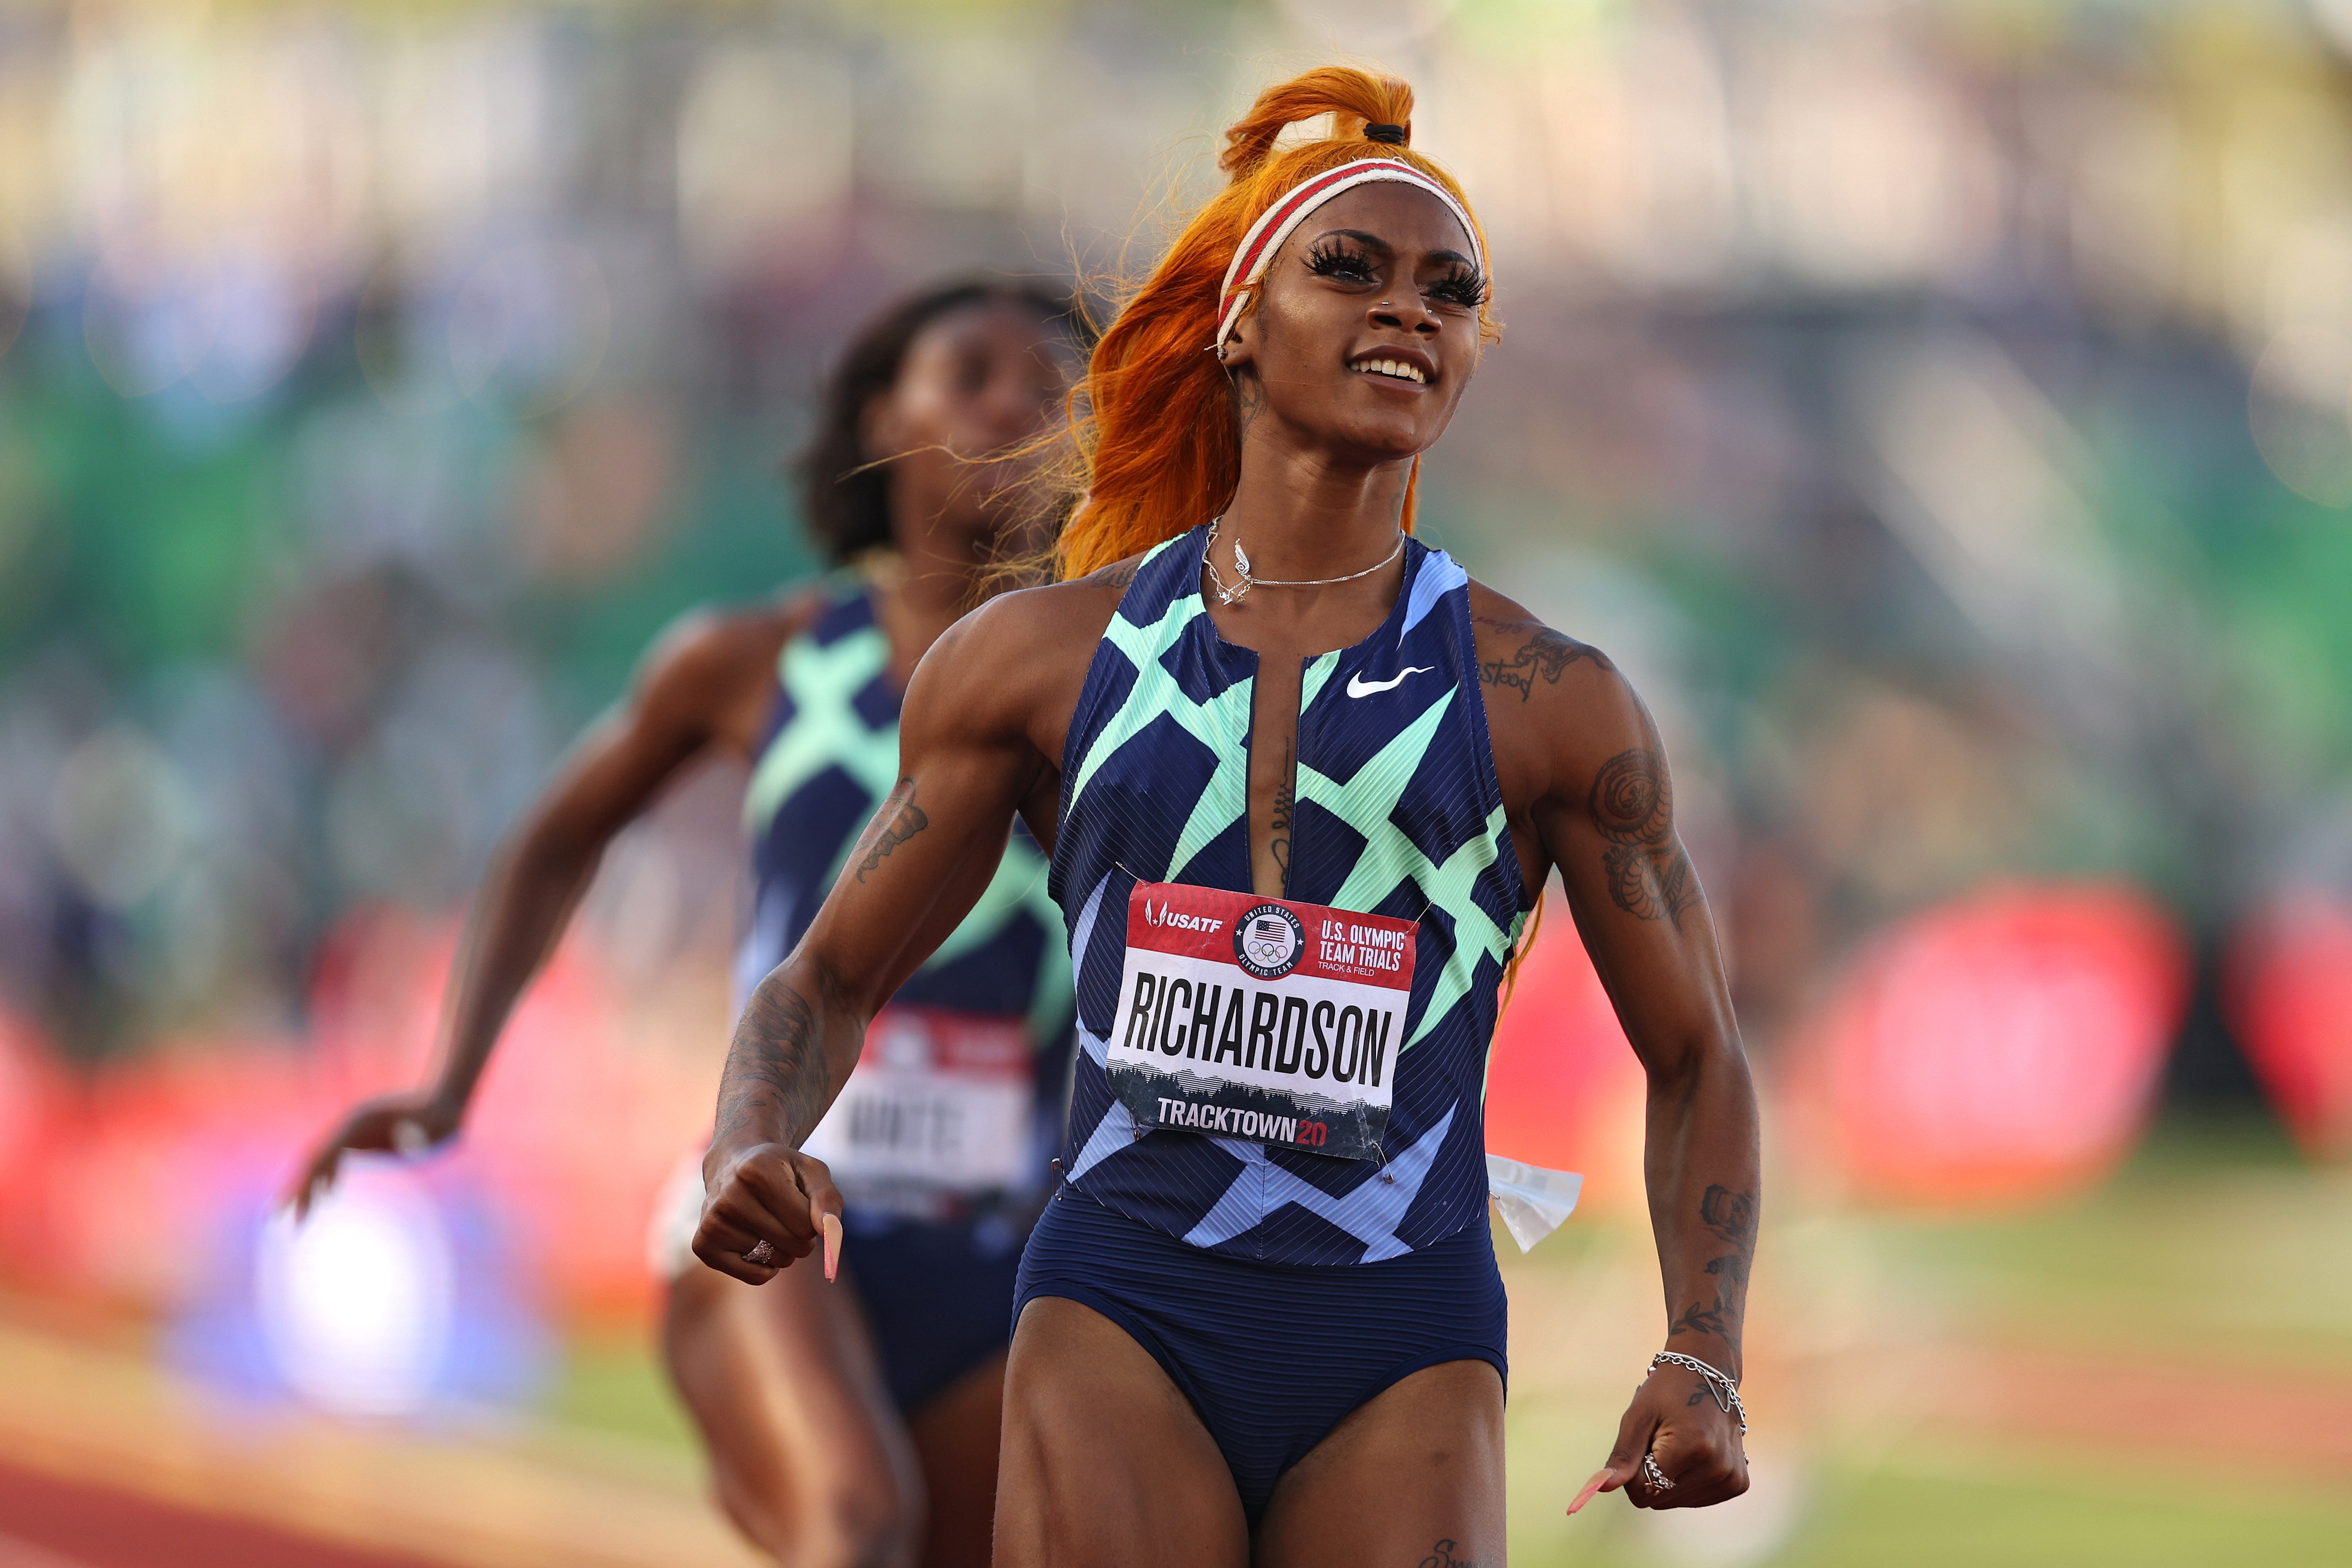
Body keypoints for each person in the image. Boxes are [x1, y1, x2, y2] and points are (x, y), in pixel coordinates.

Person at [691, 67, 1759, 1567]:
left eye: (1450, 291)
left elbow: (1701, 1049)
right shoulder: (1035, 663)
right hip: (1129, 1299)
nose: (1410, 310)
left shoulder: (1550, 700)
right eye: (1351, 268)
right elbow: (823, 978)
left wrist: (1701, 1348)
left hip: (1408, 1322)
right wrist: (750, 1132)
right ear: (1237, 326)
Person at [290, 279, 1082, 1568]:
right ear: (884, 412)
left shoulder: (1110, 695)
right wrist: (449, 1082)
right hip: (766, 1219)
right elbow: (556, 838)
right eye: (975, 372)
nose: (1016, 406)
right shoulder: (760, 664)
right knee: (851, 1523)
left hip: (1006, 1255)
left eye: (1055, 390)